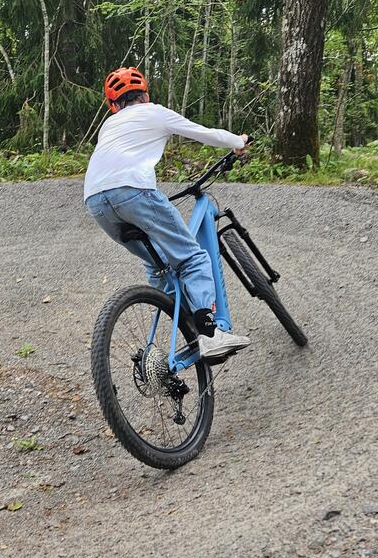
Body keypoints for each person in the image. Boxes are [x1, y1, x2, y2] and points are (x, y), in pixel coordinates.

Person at [84, 66, 252, 359]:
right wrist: (238, 142)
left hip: (95, 201)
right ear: (146, 96)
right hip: (133, 191)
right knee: (192, 257)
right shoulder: (155, 112)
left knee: (158, 265)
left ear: (113, 106)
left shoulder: (108, 127)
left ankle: (187, 324)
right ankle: (210, 333)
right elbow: (204, 133)